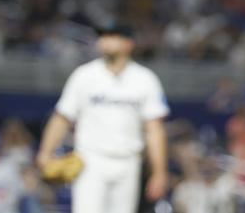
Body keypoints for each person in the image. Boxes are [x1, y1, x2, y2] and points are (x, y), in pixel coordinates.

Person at [36, 24, 170, 213]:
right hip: (90, 159)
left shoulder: (145, 79)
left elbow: (154, 130)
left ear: (128, 43)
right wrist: (45, 152)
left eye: (112, 36)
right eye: (103, 36)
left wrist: (159, 172)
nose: (105, 41)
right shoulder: (84, 75)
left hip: (129, 161)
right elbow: (62, 118)